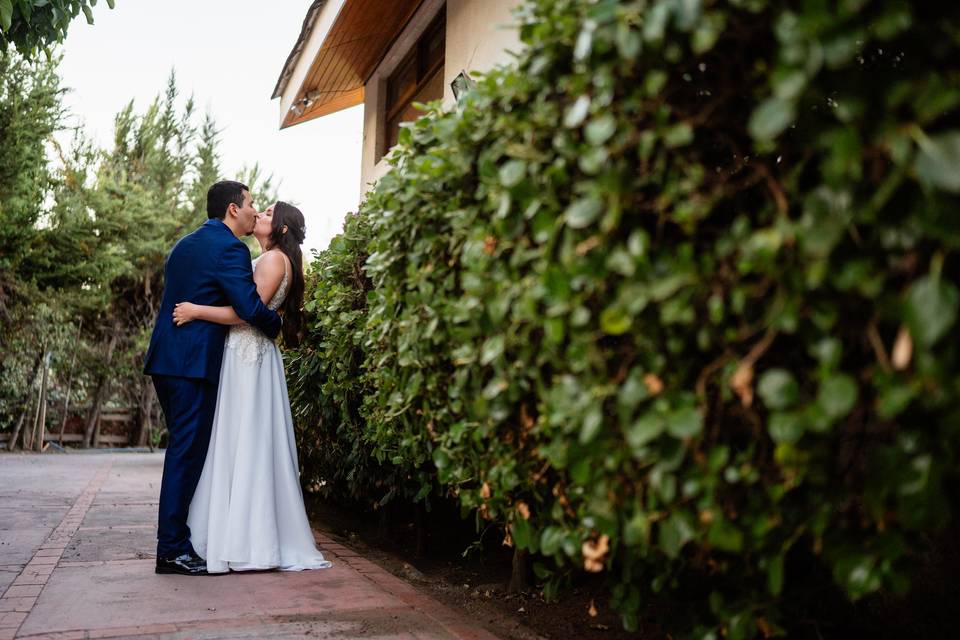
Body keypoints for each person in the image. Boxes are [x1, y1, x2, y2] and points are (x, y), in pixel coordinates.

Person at [173, 201, 332, 573]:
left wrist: (197, 310)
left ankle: (247, 540)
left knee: (244, 442)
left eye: (266, 214)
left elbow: (248, 312)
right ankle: (234, 534)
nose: (258, 214)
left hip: (249, 358)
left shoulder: (274, 260)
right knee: (238, 441)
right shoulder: (268, 258)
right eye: (257, 210)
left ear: (281, 229)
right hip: (247, 357)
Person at [144, 180, 282, 576]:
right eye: (252, 204)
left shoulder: (183, 245)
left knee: (184, 452)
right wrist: (279, 323)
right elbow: (249, 305)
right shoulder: (230, 248)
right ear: (233, 210)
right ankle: (171, 549)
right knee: (186, 455)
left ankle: (177, 541)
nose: (256, 211)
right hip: (192, 365)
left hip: (167, 360)